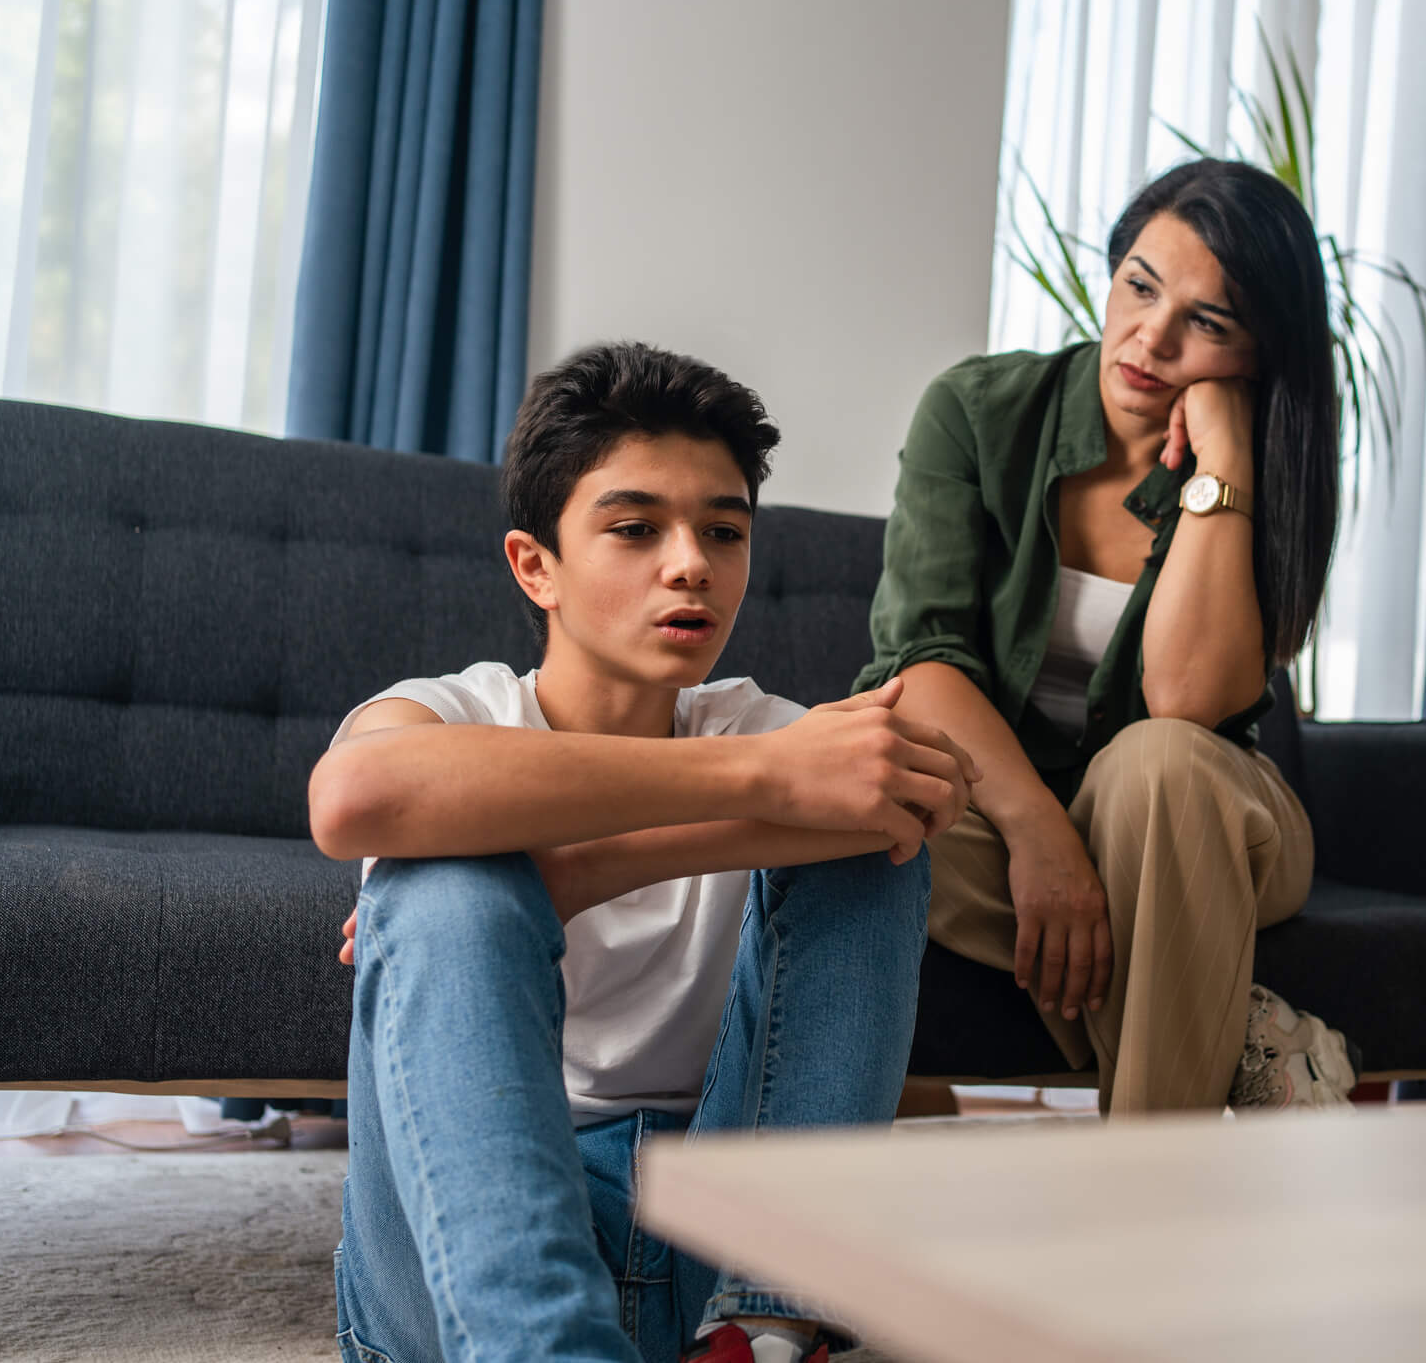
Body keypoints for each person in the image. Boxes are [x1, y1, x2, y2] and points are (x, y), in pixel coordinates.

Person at [310, 342, 977, 1363]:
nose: (690, 563)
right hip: (461, 1269)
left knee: (867, 845)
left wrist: (565, 875)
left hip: (709, 1237)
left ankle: (765, 1326)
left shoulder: (757, 721)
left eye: (723, 530)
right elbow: (354, 796)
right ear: (536, 565)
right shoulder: (456, 713)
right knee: (447, 881)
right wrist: (759, 782)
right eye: (634, 527)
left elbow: (913, 796)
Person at [856, 159, 1354, 1115]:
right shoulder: (974, 411)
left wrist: (1226, 464)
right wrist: (1042, 836)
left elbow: (1189, 702)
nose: (1151, 338)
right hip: (997, 822)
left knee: (1155, 764)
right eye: (1140, 285)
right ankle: (1248, 1040)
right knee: (861, 809)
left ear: (1258, 353)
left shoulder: (1253, 468)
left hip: (1206, 825)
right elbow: (924, 661)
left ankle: (1142, 1197)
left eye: (1208, 323)